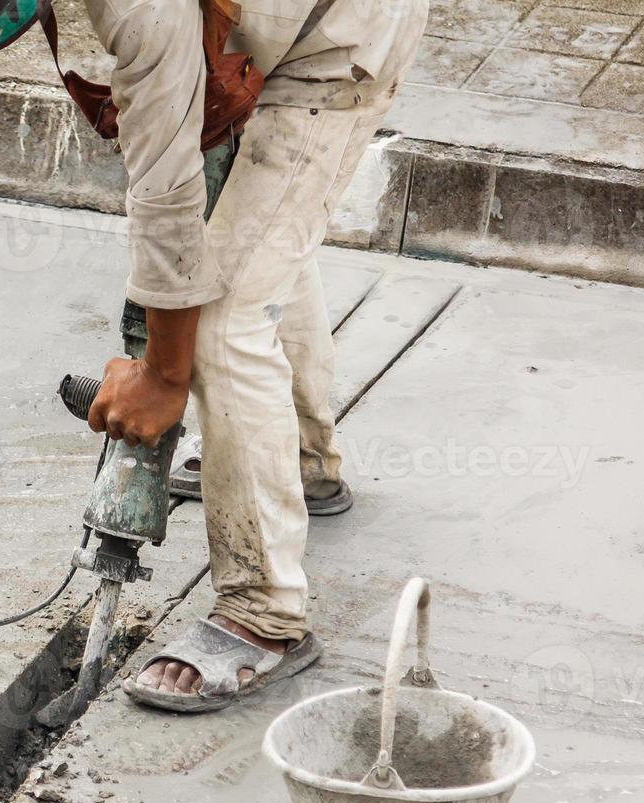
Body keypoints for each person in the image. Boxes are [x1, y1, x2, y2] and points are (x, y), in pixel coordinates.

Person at [81, 0, 429, 712]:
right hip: (277, 21)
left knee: (218, 320)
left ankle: (264, 617)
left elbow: (166, 183)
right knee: (263, 245)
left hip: (338, 39)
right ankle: (301, 459)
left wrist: (164, 373)